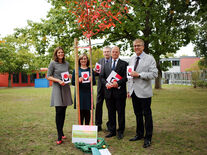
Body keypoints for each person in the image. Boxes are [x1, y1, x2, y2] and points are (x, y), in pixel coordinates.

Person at [128, 39, 158, 148]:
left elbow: (154, 74)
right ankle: (139, 134)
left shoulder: (150, 58)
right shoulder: (131, 58)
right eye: (134, 46)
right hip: (134, 92)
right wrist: (129, 90)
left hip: (144, 92)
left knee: (147, 115)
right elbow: (130, 76)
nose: (136, 47)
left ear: (143, 47)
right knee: (138, 114)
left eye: (138, 45)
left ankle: (148, 137)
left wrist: (139, 75)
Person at [47, 47, 73, 145]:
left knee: (63, 111)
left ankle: (61, 132)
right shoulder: (52, 63)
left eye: (62, 52)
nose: (61, 54)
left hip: (65, 88)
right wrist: (58, 80)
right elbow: (48, 76)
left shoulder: (67, 64)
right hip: (57, 88)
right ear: (56, 54)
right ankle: (59, 135)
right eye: (59, 52)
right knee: (59, 111)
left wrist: (69, 76)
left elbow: (66, 74)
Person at [101, 46, 128, 140]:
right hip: (109, 93)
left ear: (119, 53)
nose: (115, 53)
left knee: (120, 113)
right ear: (111, 53)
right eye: (113, 52)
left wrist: (118, 83)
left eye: (117, 52)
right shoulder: (105, 64)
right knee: (110, 112)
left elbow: (126, 77)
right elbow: (101, 77)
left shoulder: (124, 64)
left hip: (120, 93)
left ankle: (120, 131)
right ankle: (112, 131)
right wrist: (106, 83)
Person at [72, 53, 96, 125]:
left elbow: (94, 82)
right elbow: (73, 83)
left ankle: (87, 128)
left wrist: (91, 80)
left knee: (87, 111)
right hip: (80, 93)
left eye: (85, 58)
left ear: (87, 60)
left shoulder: (90, 70)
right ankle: (80, 127)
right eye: (82, 59)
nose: (83, 60)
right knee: (81, 111)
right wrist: (78, 81)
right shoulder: (76, 70)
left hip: (88, 93)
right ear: (79, 60)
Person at [95, 46, 111, 132]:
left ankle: (110, 124)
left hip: (109, 87)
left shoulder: (113, 61)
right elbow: (97, 74)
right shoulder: (100, 61)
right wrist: (94, 71)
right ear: (103, 53)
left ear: (110, 52)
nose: (106, 53)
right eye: (105, 52)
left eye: (108, 51)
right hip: (100, 87)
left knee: (110, 107)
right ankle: (98, 124)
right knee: (98, 105)